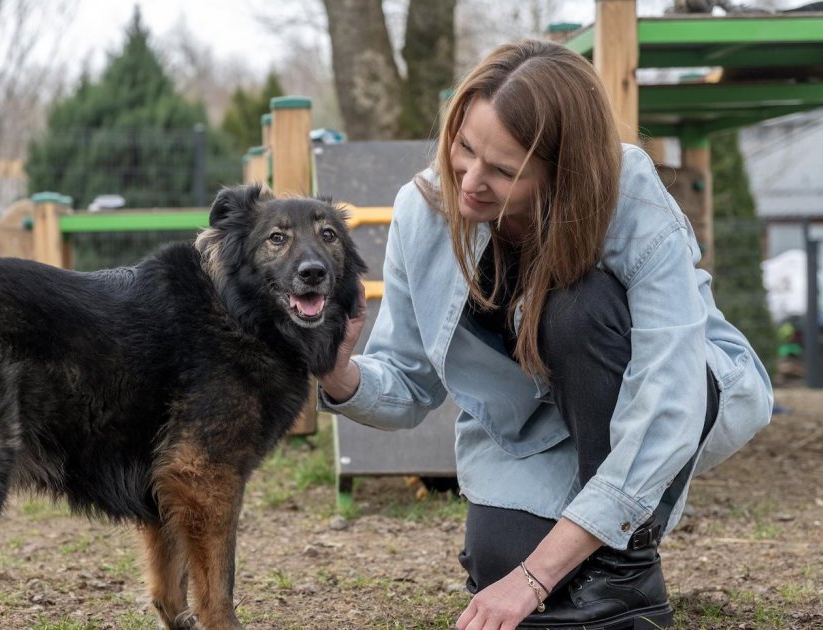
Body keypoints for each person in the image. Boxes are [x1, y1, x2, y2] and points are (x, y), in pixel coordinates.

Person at [319, 39, 773, 630]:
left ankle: (627, 572)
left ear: (564, 174)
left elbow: (668, 396)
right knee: (497, 563)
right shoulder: (421, 209)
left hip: (667, 394)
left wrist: (535, 577)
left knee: (576, 308)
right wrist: (337, 368)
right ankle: (595, 557)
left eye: (504, 171)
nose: (470, 181)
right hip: (534, 433)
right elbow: (408, 382)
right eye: (464, 148)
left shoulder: (626, 192)